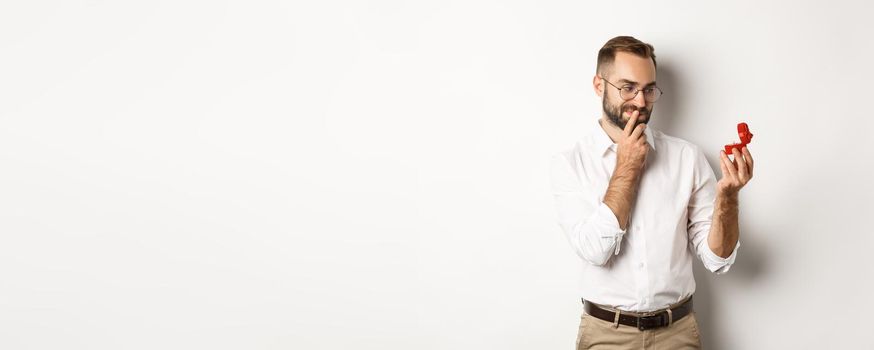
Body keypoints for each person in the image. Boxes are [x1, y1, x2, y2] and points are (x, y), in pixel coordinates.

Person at [549, 36, 754, 349]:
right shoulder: (571, 163)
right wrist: (627, 168)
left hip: (677, 333)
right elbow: (594, 251)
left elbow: (718, 259)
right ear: (598, 85)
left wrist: (728, 199)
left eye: (648, 89)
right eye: (627, 88)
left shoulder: (687, 158)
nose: (641, 101)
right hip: (606, 335)